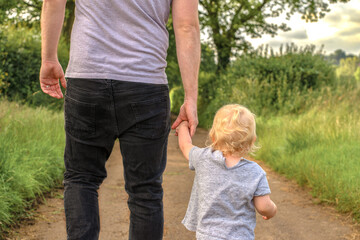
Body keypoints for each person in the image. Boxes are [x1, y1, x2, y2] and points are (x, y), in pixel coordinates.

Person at [39, 0, 200, 239]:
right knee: (145, 191)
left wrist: (49, 59)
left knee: (82, 179)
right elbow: (187, 26)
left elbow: (53, 2)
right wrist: (191, 98)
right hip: (146, 82)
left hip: (87, 79)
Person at [176, 104, 277, 240]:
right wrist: (272, 210)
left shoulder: (203, 158)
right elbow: (264, 206)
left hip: (207, 236)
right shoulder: (255, 172)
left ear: (213, 137)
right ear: (252, 141)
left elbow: (185, 145)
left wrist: (183, 125)